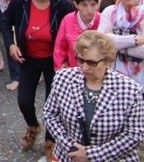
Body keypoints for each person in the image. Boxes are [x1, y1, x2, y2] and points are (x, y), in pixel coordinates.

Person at [0, 0, 74, 155]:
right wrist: (11, 44)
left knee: (53, 104)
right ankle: (33, 126)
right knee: (24, 101)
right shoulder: (19, 0)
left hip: (54, 61)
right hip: (28, 58)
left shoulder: (62, 4)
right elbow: (6, 22)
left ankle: (51, 139)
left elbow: (70, 30)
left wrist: (67, 58)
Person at [43, 30, 144, 162]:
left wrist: (92, 154)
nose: (84, 68)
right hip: (68, 157)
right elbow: (49, 114)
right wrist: (71, 148)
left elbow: (135, 134)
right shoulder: (63, 78)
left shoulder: (130, 90)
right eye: (80, 60)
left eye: (91, 62)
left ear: (107, 60)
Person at [98, 0, 144, 87]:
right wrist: (135, 40)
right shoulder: (109, 11)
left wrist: (118, 47)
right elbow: (102, 43)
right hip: (115, 78)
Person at [54, 0, 102, 70]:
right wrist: (60, 71)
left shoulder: (103, 20)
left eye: (93, 4)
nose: (89, 10)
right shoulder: (67, 20)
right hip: (73, 71)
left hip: (96, 72)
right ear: (76, 5)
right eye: (84, 5)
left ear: (98, 4)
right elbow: (60, 49)